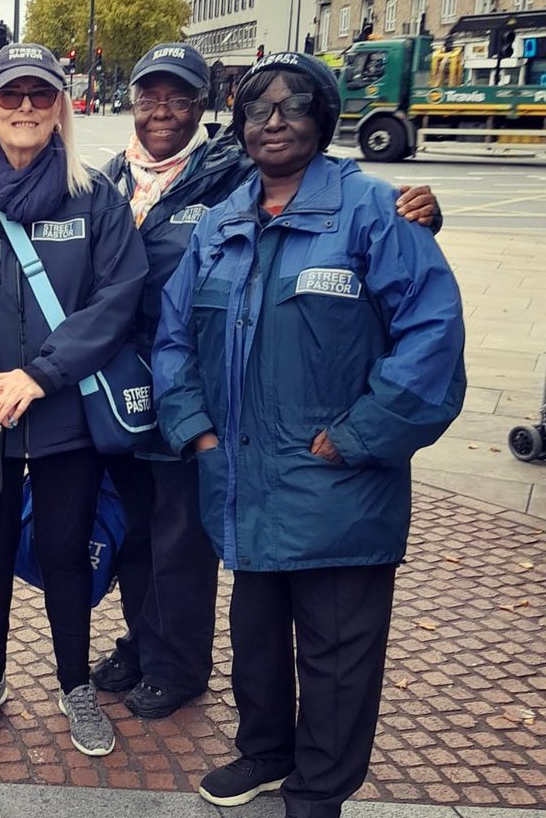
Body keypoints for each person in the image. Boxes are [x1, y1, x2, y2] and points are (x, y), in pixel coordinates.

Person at [152, 52, 465, 818]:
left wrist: (360, 436)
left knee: (335, 655)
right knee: (255, 638)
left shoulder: (375, 213)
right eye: (257, 107)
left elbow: (431, 337)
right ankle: (264, 751)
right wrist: (197, 433)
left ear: (324, 119)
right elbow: (174, 337)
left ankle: (318, 799)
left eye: (293, 106)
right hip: (244, 480)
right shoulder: (221, 223)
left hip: (339, 487)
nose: (273, 119)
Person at [92, 43, 442, 721]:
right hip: (119, 395)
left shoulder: (228, 174)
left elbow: (320, 204)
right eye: (149, 96)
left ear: (202, 108)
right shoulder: (108, 179)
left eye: (178, 97)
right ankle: (145, 637)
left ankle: (178, 662)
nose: (161, 111)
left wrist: (421, 211)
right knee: (133, 534)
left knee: (178, 544)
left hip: (201, 389)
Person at [0, 43, 148, 757]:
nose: (24, 108)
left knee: (62, 552)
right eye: (10, 95)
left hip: (63, 417)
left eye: (39, 96)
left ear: (61, 108)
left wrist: (39, 376)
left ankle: (74, 681)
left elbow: (116, 302)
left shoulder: (97, 201)